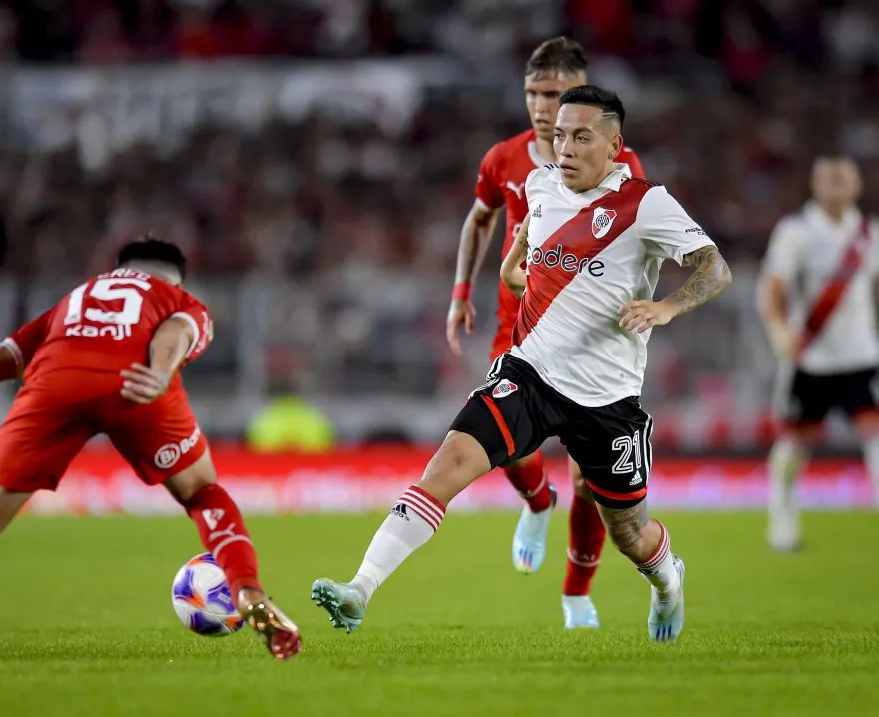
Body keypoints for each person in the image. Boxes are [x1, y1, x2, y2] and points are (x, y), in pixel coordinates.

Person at [313, 86, 731, 643]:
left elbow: (715, 268)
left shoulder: (646, 204)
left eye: (581, 137)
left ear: (614, 146)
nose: (566, 148)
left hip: (607, 399)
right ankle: (360, 589)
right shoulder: (540, 186)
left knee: (629, 534)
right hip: (529, 374)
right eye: (560, 136)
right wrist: (530, 279)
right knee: (448, 462)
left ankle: (666, 580)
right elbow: (515, 269)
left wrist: (667, 306)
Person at [0, 238, 302, 675]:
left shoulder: (72, 302)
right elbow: (175, 331)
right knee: (202, 492)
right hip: (137, 382)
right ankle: (247, 591)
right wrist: (159, 373)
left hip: (55, 382)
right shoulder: (179, 299)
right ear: (176, 280)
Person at [446, 36, 645, 630]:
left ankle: (576, 593)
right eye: (533, 92)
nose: (541, 105)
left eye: (555, 93)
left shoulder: (621, 168)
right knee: (502, 446)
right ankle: (537, 503)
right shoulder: (505, 159)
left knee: (588, 478)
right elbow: (479, 219)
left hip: (588, 344)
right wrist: (461, 291)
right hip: (519, 331)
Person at [758, 156, 879, 550]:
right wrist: (778, 330)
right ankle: (782, 524)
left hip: (862, 359)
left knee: (876, 440)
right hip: (812, 361)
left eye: (843, 178)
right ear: (815, 184)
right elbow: (772, 288)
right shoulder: (796, 232)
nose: (836, 184)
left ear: (857, 184)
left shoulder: (870, 234)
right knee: (793, 447)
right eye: (829, 178)